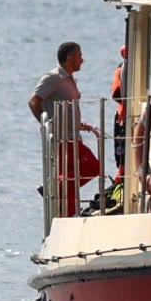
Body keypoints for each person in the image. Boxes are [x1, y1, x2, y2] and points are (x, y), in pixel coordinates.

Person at [29, 41, 99, 209]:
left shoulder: (69, 79)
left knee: (73, 177)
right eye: (79, 56)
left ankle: (65, 204)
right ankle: (53, 188)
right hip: (61, 140)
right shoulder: (52, 78)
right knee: (92, 167)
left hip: (73, 137)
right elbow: (33, 102)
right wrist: (47, 126)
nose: (82, 60)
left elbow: (66, 108)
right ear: (70, 57)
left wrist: (81, 125)